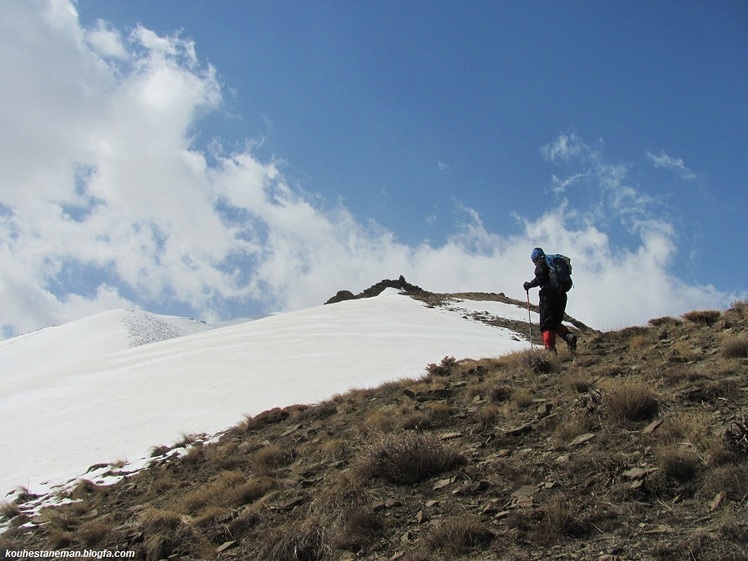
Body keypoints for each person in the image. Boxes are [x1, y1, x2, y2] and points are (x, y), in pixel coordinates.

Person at [523, 247, 577, 354]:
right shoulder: (553, 261)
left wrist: (529, 285)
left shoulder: (541, 263)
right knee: (556, 323)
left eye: (533, 261)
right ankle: (569, 337)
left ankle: (550, 351)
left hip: (548, 296)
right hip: (562, 295)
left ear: (535, 258)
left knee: (547, 325)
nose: (534, 264)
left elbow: (541, 279)